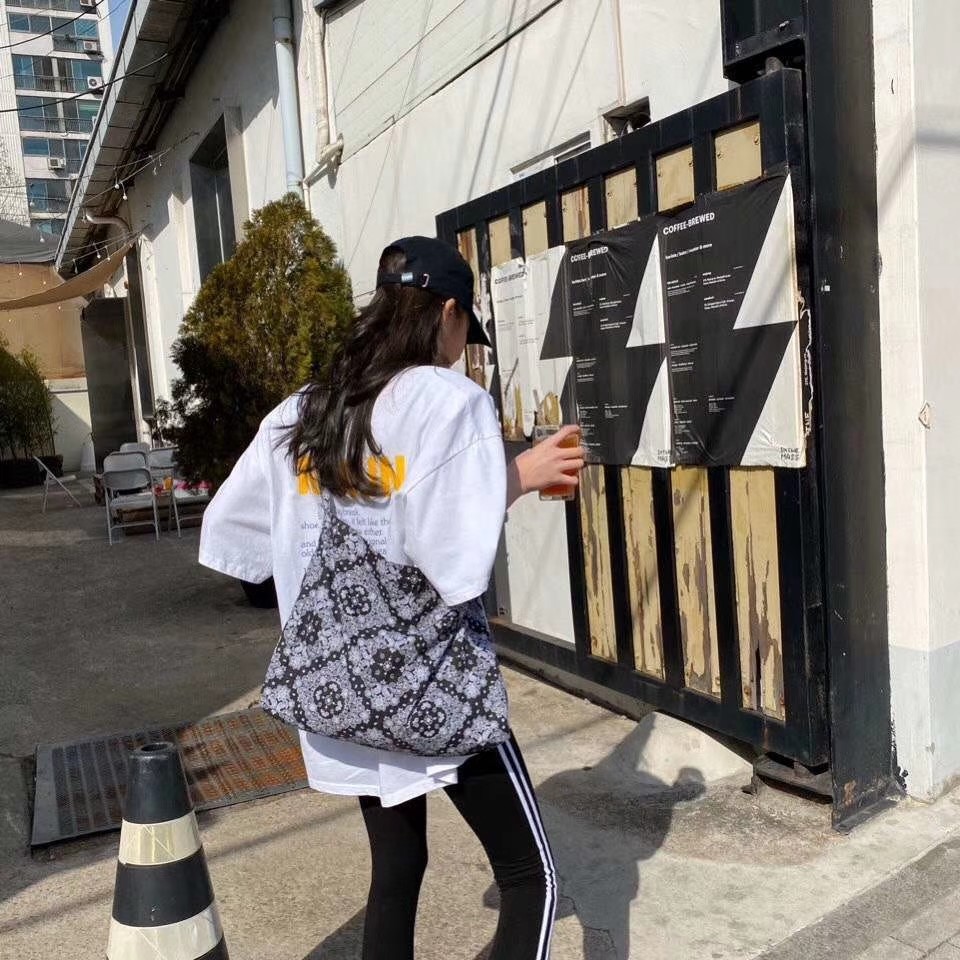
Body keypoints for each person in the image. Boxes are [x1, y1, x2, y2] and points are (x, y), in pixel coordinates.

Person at [199, 235, 585, 960]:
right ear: (448, 313)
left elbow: (230, 534)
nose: (462, 348)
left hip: (342, 692)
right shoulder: (448, 401)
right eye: (465, 330)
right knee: (531, 878)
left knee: (398, 867)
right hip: (433, 684)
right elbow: (452, 561)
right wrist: (518, 476)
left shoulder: (304, 409)